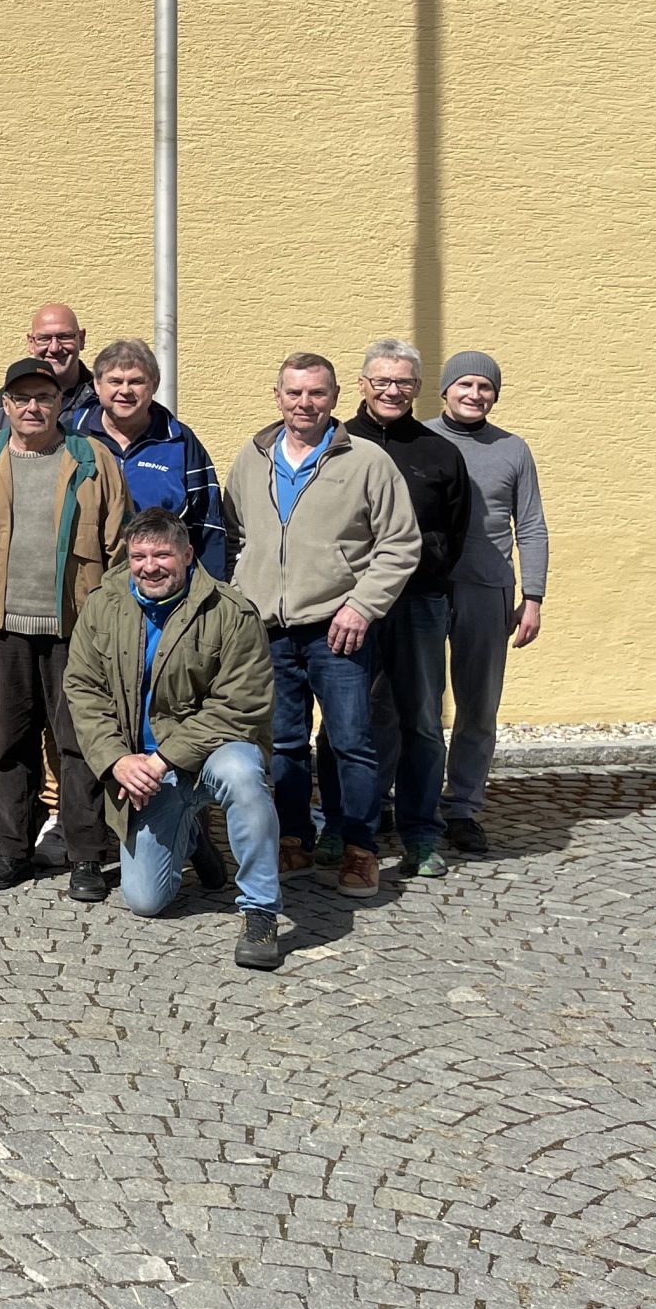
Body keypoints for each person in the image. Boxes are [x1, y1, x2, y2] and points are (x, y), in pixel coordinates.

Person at [221, 352, 421, 899]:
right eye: (294, 393)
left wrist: (362, 606)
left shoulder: (367, 460)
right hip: (269, 629)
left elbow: (400, 543)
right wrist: (242, 602)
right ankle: (292, 840)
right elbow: (235, 536)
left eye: (316, 393)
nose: (304, 403)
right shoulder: (254, 455)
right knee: (283, 744)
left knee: (352, 742)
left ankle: (360, 849)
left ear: (335, 398)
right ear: (278, 396)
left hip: (339, 626)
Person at [0, 359, 133, 898]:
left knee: (78, 742)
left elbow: (119, 549)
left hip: (77, 629)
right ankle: (10, 850)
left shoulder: (93, 460)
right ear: (4, 404)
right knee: (8, 743)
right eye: (20, 398)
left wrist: (112, 623)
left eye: (43, 397)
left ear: (60, 402)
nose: (31, 407)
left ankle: (86, 855)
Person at [64, 507, 285, 971]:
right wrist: (116, 760)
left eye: (162, 554)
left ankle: (260, 910)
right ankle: (190, 834)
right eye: (139, 555)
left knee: (244, 776)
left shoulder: (232, 612)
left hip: (208, 756)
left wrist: (163, 760)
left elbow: (240, 705)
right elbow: (82, 688)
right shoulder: (102, 604)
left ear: (187, 554)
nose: (150, 566)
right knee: (145, 900)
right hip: (140, 768)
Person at [345, 337, 470, 877]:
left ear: (418, 388)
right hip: (348, 606)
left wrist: (432, 571)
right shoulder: (338, 444)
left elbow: (455, 530)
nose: (392, 390)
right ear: (363, 385)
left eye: (403, 382)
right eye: (382, 381)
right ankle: (349, 830)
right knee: (348, 724)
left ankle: (420, 832)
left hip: (419, 603)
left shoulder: (439, 451)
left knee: (420, 719)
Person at [434, 350, 548, 856]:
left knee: (478, 704)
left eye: (485, 387)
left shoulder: (512, 449)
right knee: (402, 700)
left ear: (495, 395)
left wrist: (534, 596)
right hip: (427, 587)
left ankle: (462, 807)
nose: (474, 395)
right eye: (465, 385)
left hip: (488, 588)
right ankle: (397, 799)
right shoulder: (420, 440)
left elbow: (531, 525)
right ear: (445, 389)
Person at [72, 338, 226, 576]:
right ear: (97, 384)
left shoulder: (180, 441)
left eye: (136, 381)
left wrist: (211, 592)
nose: (125, 390)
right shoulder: (73, 438)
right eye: (115, 381)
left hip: (161, 584)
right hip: (88, 584)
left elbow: (208, 525)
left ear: (154, 385)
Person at [0, 304, 99, 428]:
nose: (54, 348)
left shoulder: (100, 399)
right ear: (31, 343)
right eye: (44, 338)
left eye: (64, 337)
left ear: (81, 339)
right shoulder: (2, 403)